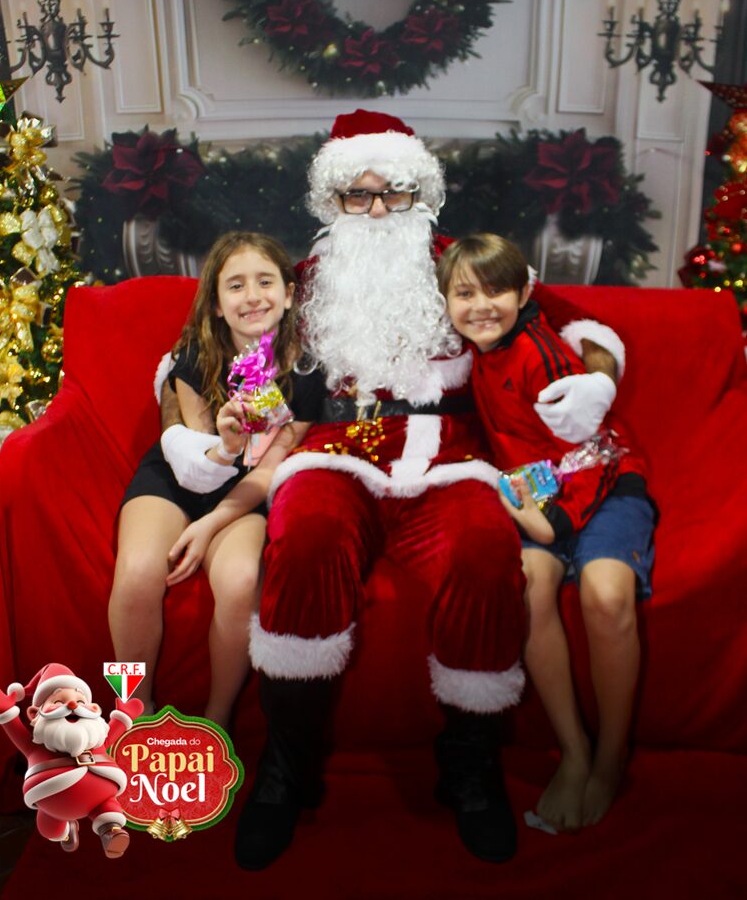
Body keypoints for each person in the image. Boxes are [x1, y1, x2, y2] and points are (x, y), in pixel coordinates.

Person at [160, 110, 626, 869]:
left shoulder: (459, 268)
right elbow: (202, 347)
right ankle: (287, 768)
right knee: (304, 540)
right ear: (333, 200)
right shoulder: (306, 282)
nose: (377, 211)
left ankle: (469, 767)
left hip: (448, 459)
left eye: (394, 193)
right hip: (332, 453)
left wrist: (596, 382)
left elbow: (583, 328)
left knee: (483, 551)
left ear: (420, 194)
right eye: (358, 194)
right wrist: (192, 425)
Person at [439, 232, 655, 832]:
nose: (481, 306)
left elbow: (597, 450)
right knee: (529, 587)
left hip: (605, 487)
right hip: (541, 495)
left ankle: (609, 758)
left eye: (496, 291)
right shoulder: (474, 354)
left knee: (606, 595)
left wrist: (554, 521)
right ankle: (574, 750)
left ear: (524, 292)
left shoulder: (544, 354)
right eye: (464, 294)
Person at [109, 231, 321, 725]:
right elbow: (194, 463)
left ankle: (217, 719)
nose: (253, 296)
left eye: (265, 281)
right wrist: (224, 443)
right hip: (179, 478)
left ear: (289, 293)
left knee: (242, 578)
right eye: (236, 285)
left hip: (245, 494)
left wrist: (209, 527)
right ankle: (131, 706)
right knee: (137, 570)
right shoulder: (195, 355)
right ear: (217, 305)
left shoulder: (307, 372)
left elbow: (270, 467)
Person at [0, 663, 143, 857]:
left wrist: (124, 716)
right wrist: (6, 711)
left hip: (101, 794)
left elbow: (111, 734)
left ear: (93, 708)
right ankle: (67, 831)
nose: (72, 705)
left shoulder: (96, 737)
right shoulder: (35, 746)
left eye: (80, 700)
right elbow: (16, 730)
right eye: (59, 701)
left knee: (109, 811)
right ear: (34, 714)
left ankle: (111, 832)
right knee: (50, 829)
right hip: (53, 803)